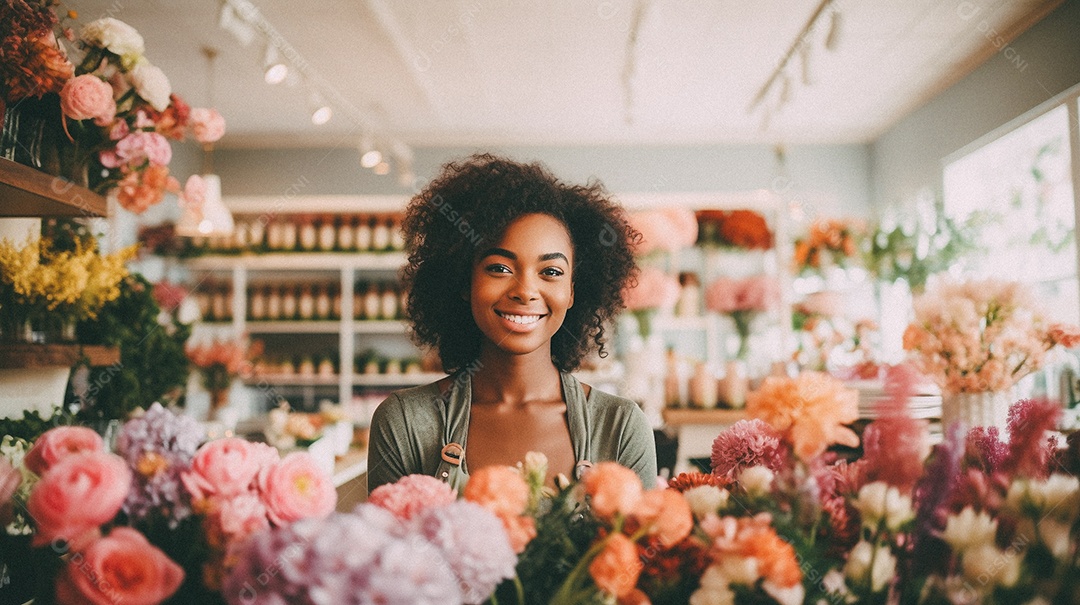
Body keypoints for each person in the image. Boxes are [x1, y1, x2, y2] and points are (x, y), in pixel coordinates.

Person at [366, 153, 657, 492]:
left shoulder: (620, 427)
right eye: (500, 268)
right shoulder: (405, 423)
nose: (525, 291)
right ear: (464, 282)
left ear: (574, 292)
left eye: (550, 272)